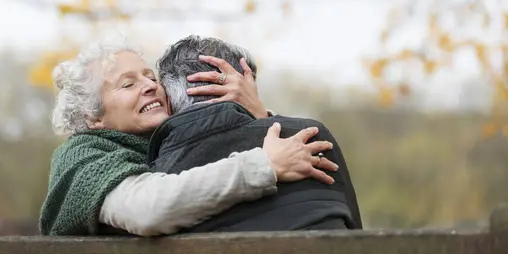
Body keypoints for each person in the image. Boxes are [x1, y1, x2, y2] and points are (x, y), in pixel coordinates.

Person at [38, 41, 336, 236]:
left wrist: (256, 113)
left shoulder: (166, 146)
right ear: (93, 117)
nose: (150, 86)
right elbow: (149, 210)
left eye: (151, 77)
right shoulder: (82, 161)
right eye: (128, 84)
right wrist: (264, 165)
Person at [149, 35, 363, 232]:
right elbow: (355, 235)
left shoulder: (156, 173)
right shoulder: (308, 137)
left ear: (167, 101)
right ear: (246, 89)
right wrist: (261, 114)